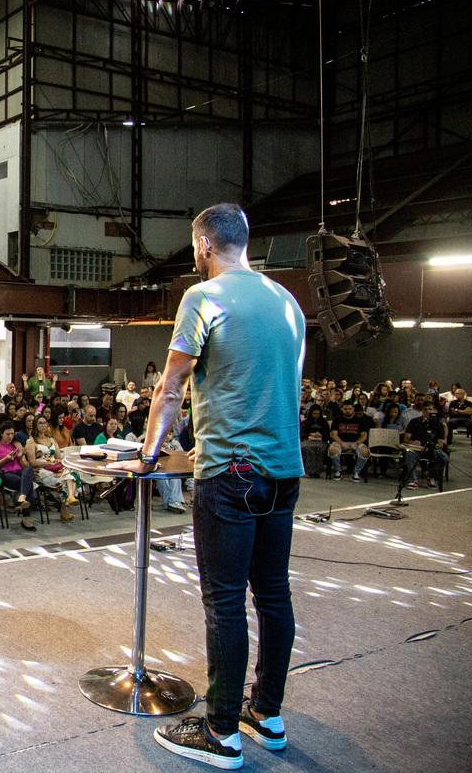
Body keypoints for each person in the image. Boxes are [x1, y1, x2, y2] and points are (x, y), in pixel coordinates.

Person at [110, 203, 305, 769]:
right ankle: (266, 715)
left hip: (231, 473)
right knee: (273, 595)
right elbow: (267, 387)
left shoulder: (204, 297)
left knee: (224, 603)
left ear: (202, 245)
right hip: (282, 470)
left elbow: (171, 387)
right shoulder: (286, 300)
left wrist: (149, 455)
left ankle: (221, 733)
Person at [0, 421, 36, 530]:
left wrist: (20, 457)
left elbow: (24, 465)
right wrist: (5, 459)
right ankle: (26, 517)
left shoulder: (16, 444)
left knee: (28, 470)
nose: (10, 437)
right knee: (27, 484)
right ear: (1, 433)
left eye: (12, 434)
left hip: (18, 471)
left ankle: (21, 497)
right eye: (7, 434)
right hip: (4, 473)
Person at [328, 401, 371, 481]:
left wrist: (357, 443)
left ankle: (356, 472)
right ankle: (339, 470)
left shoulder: (360, 421)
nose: (347, 410)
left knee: (365, 451)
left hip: (356, 442)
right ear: (342, 409)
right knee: (332, 449)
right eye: (345, 409)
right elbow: (334, 435)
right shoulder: (337, 420)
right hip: (340, 442)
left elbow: (364, 435)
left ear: (353, 409)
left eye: (350, 409)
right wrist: (342, 443)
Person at [299, 404, 330, 478]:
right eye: (314, 413)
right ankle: (308, 470)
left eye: (318, 414)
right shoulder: (305, 423)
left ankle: (317, 472)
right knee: (307, 448)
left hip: (321, 441)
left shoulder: (324, 423)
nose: (316, 415)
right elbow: (301, 434)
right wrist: (310, 434)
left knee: (320, 449)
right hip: (307, 441)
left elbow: (327, 435)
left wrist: (319, 435)